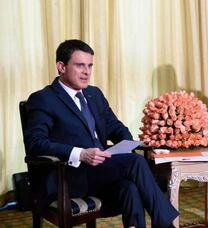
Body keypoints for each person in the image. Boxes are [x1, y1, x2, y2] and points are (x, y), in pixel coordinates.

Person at [23, 39, 178, 228]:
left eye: (89, 66)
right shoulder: (43, 99)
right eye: (80, 65)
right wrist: (81, 153)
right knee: (136, 162)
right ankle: (166, 225)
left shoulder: (94, 94)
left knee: (130, 188)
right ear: (61, 66)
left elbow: (116, 127)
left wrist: (126, 144)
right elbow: (35, 143)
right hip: (69, 176)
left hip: (100, 172)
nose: (87, 72)